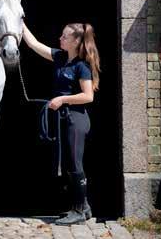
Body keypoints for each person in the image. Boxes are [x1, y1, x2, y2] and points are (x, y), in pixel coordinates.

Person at [22, 22, 100, 225]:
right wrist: (19, 20)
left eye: (64, 37)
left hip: (76, 119)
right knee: (67, 164)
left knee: (75, 164)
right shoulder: (60, 57)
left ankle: (79, 210)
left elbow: (88, 96)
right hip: (63, 118)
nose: (60, 39)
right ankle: (83, 207)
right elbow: (33, 44)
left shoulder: (81, 65)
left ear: (76, 41)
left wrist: (62, 100)